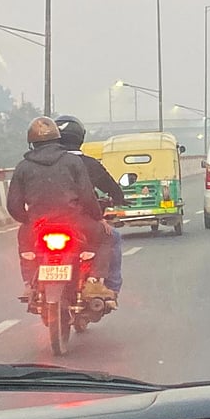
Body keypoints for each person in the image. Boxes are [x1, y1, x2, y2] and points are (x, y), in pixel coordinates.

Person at [6, 117, 114, 301]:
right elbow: (87, 196)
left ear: (31, 143)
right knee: (106, 236)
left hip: (38, 224)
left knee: (25, 243)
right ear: (57, 138)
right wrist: (98, 217)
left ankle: (29, 284)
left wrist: (27, 220)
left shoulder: (23, 167)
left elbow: (13, 205)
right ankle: (94, 281)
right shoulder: (73, 162)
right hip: (75, 222)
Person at [54, 115, 125, 296]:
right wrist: (116, 200)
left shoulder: (43, 163)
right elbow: (105, 190)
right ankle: (106, 286)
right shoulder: (87, 164)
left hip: (44, 220)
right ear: (80, 137)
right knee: (111, 237)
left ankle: (29, 283)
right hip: (80, 221)